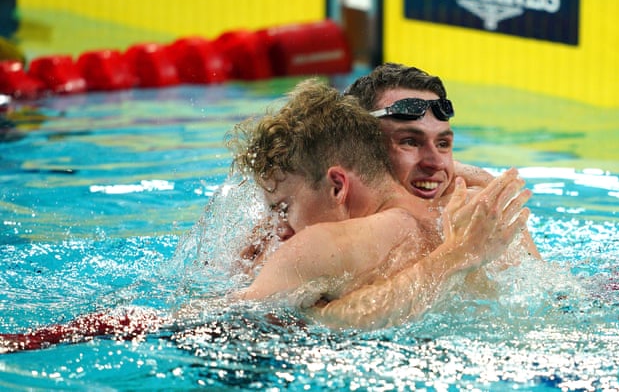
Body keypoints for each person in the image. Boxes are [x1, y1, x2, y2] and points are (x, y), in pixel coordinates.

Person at [0, 78, 531, 352]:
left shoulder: (323, 242)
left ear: (338, 181)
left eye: (284, 207)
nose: (433, 162)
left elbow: (229, 317)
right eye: (410, 143)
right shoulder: (473, 203)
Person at [343, 62, 540, 260]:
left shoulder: (470, 208)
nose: (436, 163)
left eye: (443, 143)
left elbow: (540, 281)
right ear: (359, 148)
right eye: (410, 142)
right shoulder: (329, 223)